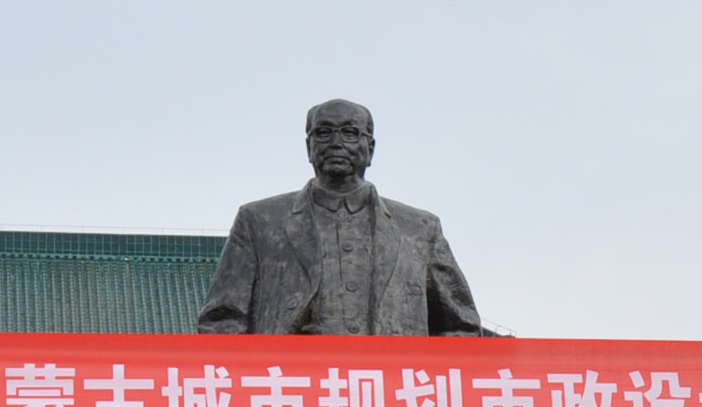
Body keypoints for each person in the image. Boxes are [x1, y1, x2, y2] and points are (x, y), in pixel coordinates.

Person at [195, 98, 490, 335]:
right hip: (293, 381)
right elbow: (221, 321)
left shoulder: (420, 229)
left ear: (370, 148)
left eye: (350, 133)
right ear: (309, 147)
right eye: (324, 133)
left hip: (388, 382)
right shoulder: (259, 221)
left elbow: (462, 326)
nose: (336, 142)